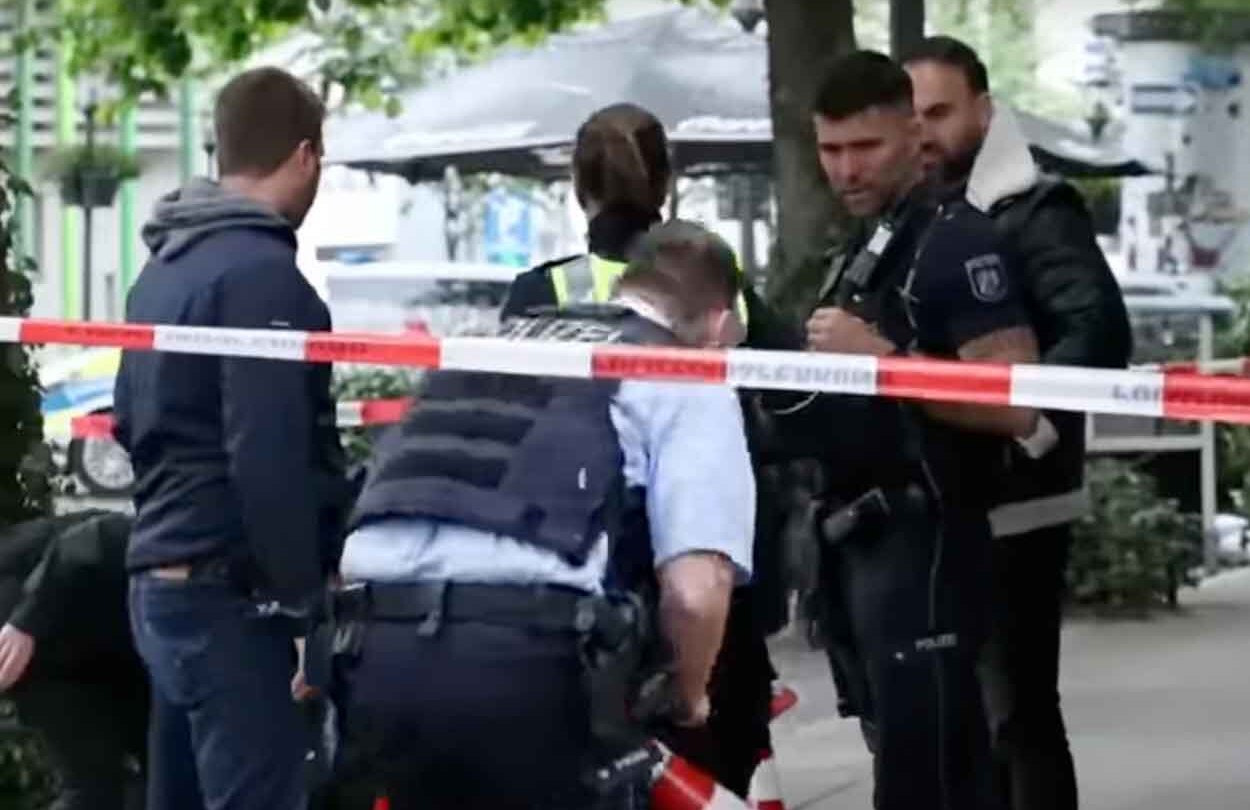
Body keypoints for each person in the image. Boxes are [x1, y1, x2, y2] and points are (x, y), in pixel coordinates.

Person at [331, 220, 754, 809]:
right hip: (526, 665)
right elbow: (696, 590)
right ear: (719, 327)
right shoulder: (684, 372)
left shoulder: (489, 346)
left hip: (375, 652)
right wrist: (687, 693)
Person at [501, 102, 801, 798]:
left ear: (578, 188)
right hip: (706, 586)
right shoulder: (723, 295)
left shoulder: (537, 295)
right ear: (667, 183)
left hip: (580, 586)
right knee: (709, 776)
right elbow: (800, 404)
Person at [768, 51, 1042, 810]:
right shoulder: (876, 241)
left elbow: (1016, 404)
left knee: (934, 776)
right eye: (830, 149)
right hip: (861, 543)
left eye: (866, 146)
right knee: (910, 761)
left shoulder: (958, 243)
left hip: (928, 538)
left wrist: (885, 362)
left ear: (913, 134)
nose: (846, 168)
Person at [903, 37, 1133, 810]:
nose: (924, 131)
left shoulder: (1035, 211)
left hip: (1019, 497)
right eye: (912, 115)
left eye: (940, 112)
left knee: (1016, 710)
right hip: (949, 496)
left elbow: (1097, 331)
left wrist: (1026, 424)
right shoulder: (921, 214)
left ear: (984, 109)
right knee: (968, 714)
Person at [114, 66, 351, 810]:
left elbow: (127, 419)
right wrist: (304, 605)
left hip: (160, 583)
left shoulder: (162, 270)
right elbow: (269, 454)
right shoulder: (266, 279)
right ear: (306, 156)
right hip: (232, 601)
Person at [0, 510, 148, 810]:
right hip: (54, 667)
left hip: (118, 641)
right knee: (94, 790)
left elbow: (100, 535)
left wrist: (28, 620)